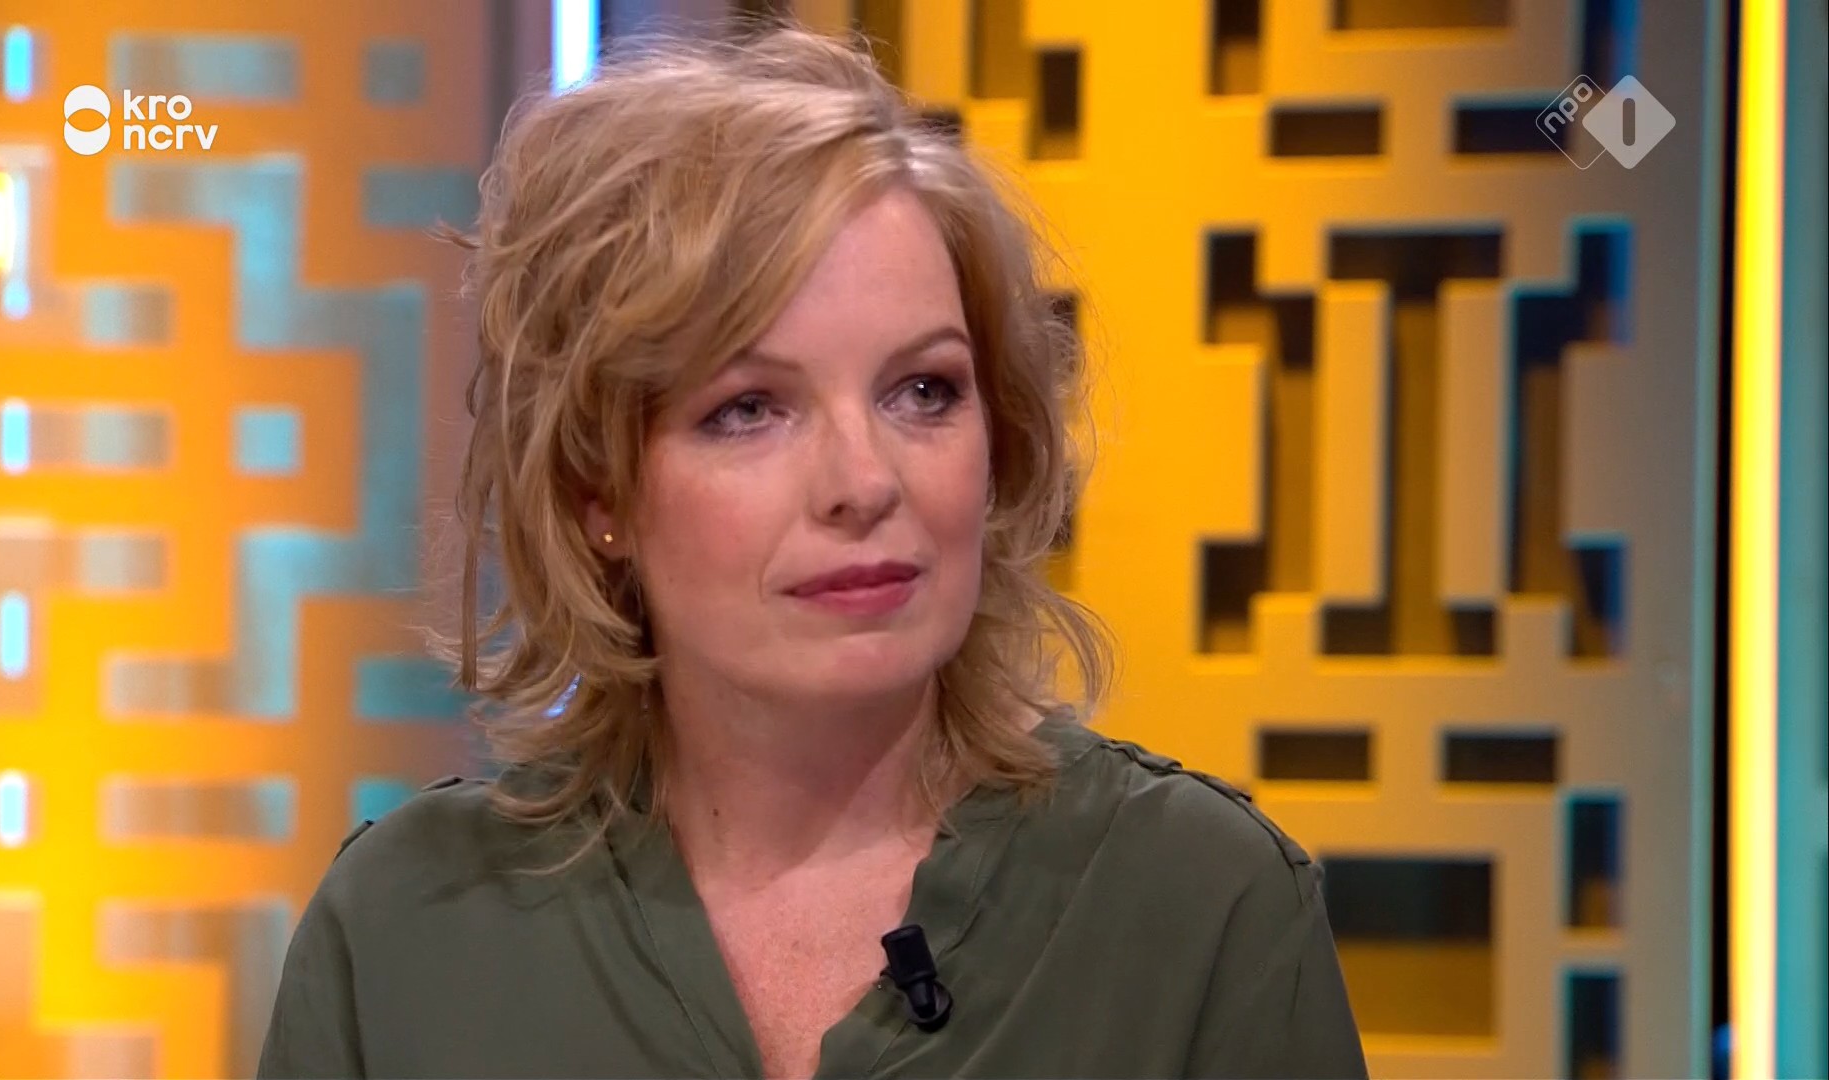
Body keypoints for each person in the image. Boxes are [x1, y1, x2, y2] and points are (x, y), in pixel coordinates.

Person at [257, 22, 1366, 1080]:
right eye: (749, 409)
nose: (865, 482)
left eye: (923, 391)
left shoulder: (1202, 910)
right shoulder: (406, 933)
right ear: (599, 491)